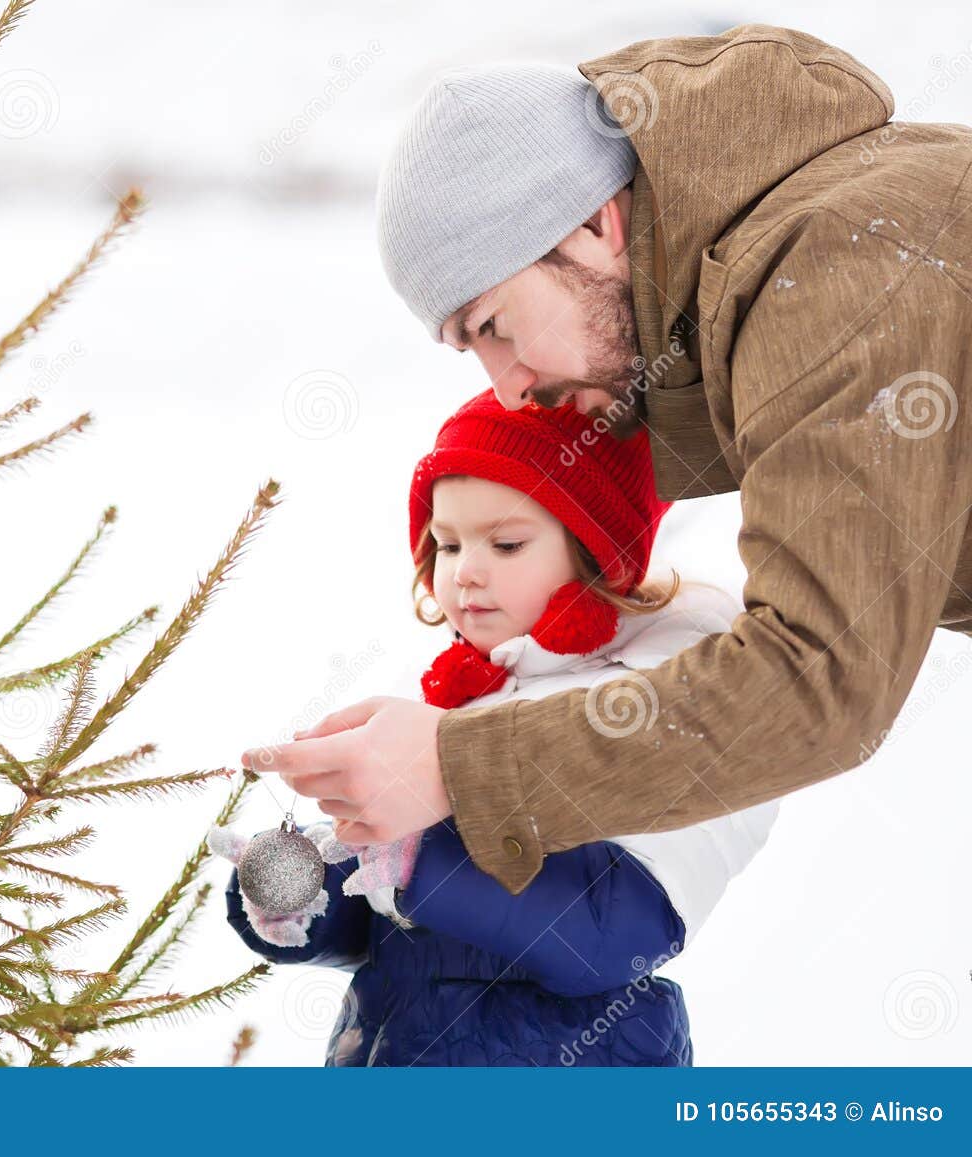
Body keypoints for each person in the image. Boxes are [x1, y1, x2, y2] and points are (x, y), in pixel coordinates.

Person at [243, 24, 972, 896]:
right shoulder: (824, 238)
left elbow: (814, 676)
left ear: (595, 223)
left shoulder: (833, 267)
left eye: (495, 327)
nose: (507, 389)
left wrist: (454, 766)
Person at [214, 391, 776, 1066]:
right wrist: (306, 895)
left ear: (596, 547)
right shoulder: (453, 706)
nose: (465, 570)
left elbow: (609, 934)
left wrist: (416, 855)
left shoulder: (663, 704)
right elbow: (393, 924)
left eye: (505, 543)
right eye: (446, 544)